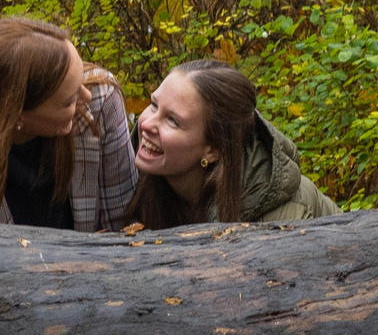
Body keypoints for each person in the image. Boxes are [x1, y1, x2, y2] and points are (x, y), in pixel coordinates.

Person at [0, 15, 134, 230]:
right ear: (15, 115)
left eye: (80, 81)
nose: (86, 97)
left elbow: (125, 228)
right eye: (69, 101)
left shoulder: (102, 101)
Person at [131, 59, 338, 228]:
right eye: (153, 105)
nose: (147, 123)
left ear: (212, 150)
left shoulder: (282, 217)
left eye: (172, 121)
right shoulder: (135, 175)